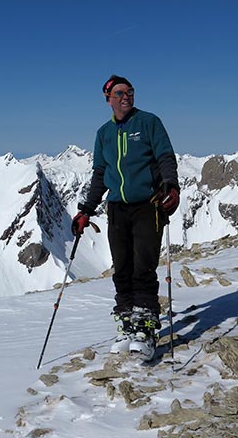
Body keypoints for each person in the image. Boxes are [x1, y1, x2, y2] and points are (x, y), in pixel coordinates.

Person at [72, 75, 180, 360]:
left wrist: (171, 185)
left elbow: (165, 156)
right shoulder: (103, 134)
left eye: (130, 92)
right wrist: (86, 210)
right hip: (117, 208)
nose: (126, 97)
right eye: (120, 93)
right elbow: (100, 174)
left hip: (148, 205)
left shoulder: (148, 122)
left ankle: (145, 330)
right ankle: (127, 325)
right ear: (108, 98)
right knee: (122, 268)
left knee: (142, 268)